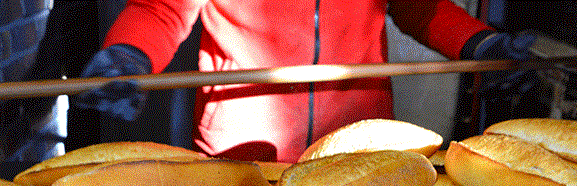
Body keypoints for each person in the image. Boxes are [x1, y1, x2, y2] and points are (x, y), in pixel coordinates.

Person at [78, 0, 535, 163]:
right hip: (246, 154)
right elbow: (162, 9)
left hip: (357, 152)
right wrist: (127, 55)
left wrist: (480, 45)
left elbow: (419, 7)